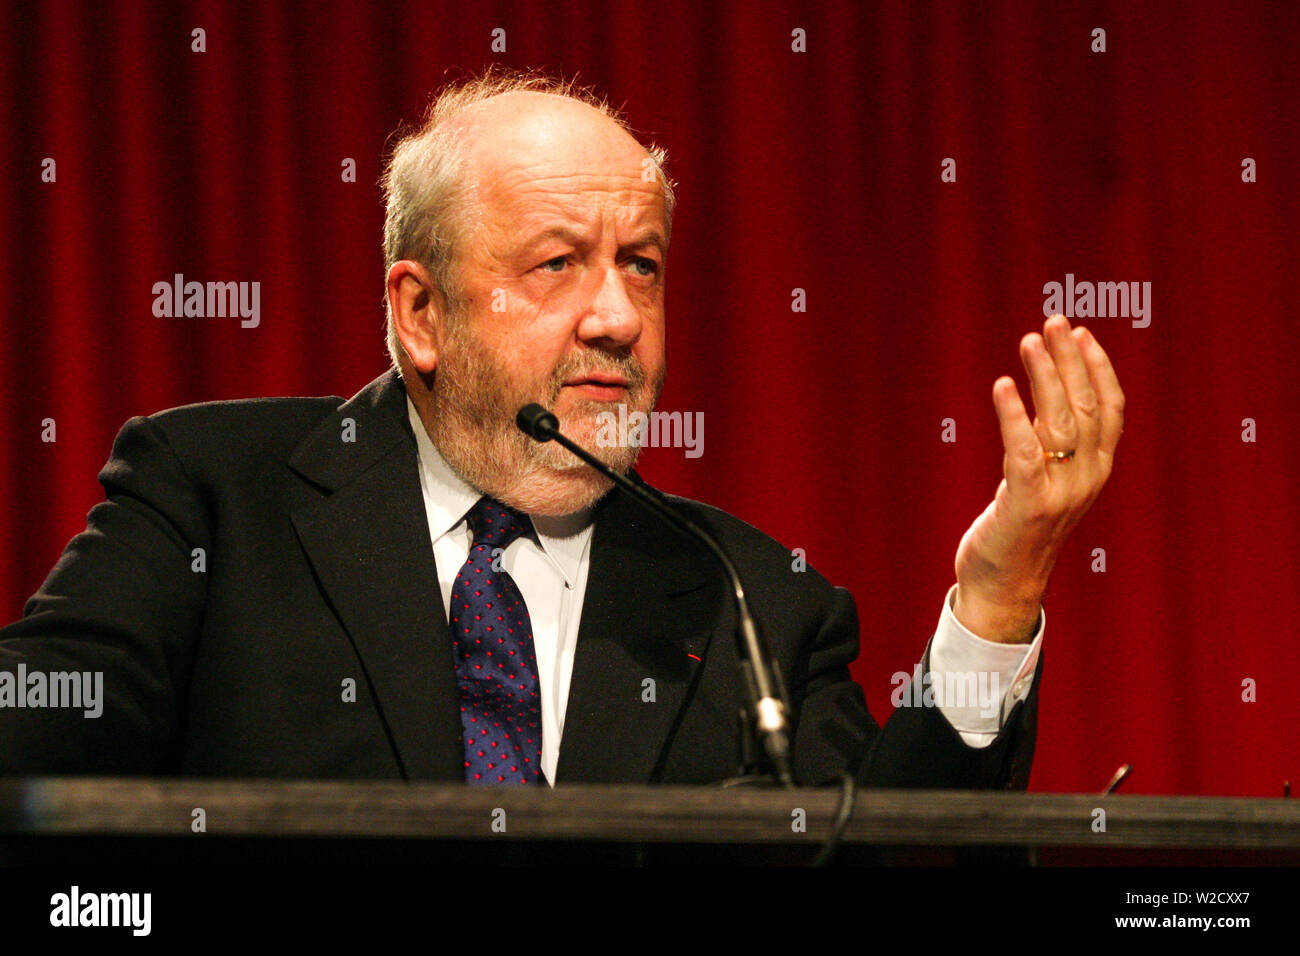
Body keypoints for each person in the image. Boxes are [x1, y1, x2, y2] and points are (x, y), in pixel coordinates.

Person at [0, 70, 1123, 788]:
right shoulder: (214, 499)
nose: (620, 317)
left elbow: (884, 871)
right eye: (557, 264)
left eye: (640, 263)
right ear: (419, 311)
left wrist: (996, 595)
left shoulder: (751, 600)